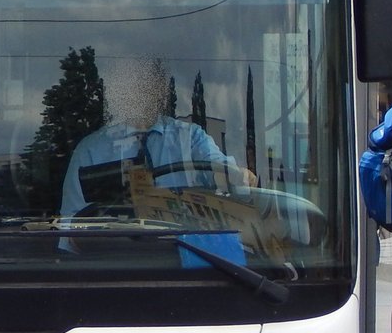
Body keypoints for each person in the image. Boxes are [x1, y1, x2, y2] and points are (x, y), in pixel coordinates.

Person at [60, 57, 254, 226]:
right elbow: (71, 226)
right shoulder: (91, 150)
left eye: (152, 84)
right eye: (135, 84)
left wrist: (237, 177)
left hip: (188, 257)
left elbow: (219, 171)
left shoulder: (191, 139)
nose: (144, 91)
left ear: (162, 91)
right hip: (116, 259)